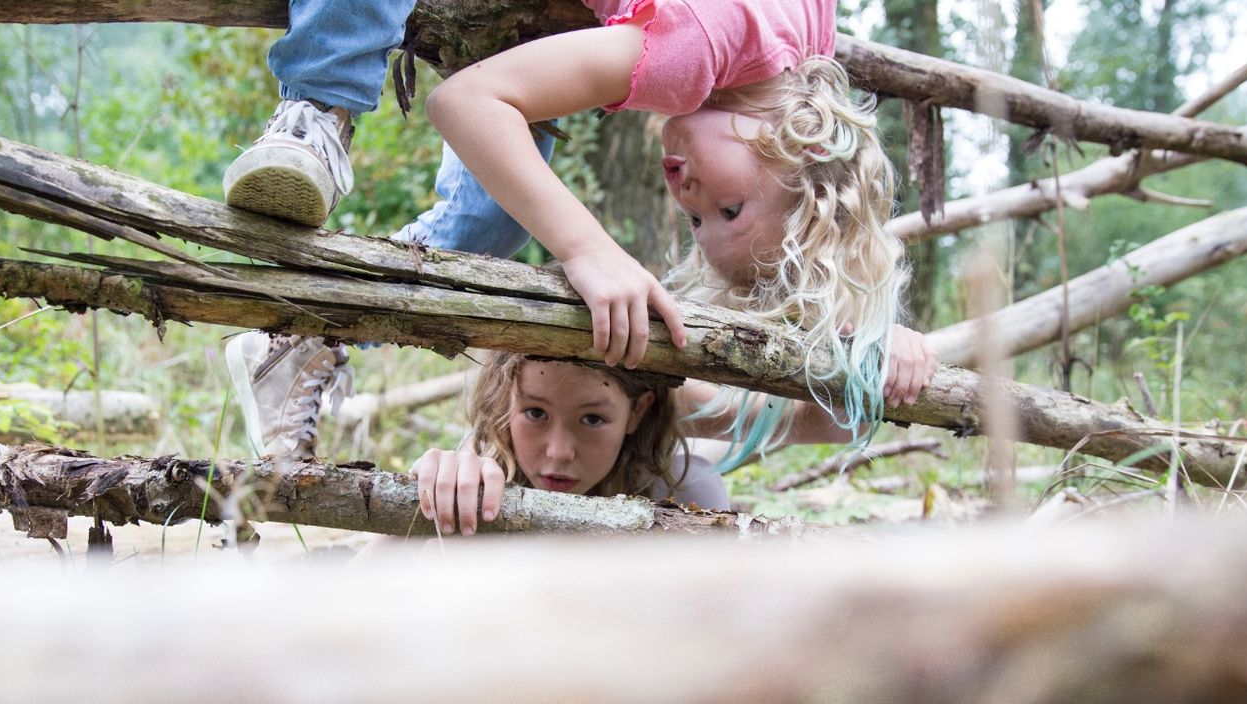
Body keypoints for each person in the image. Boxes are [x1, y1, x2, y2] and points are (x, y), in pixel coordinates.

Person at [225, 0, 936, 469]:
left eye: (698, 222)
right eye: (728, 209)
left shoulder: (798, 50)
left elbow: (823, 237)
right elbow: (465, 103)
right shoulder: (694, 55)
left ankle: (307, 340)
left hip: (536, 34)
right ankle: (317, 109)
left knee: (492, 218)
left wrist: (870, 337)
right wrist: (588, 248)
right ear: (803, 144)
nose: (686, 197)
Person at [412, 353, 729, 536]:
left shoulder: (687, 498)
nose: (559, 452)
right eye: (536, 413)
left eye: (592, 419)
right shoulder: (482, 481)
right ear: (505, 402)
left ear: (638, 411)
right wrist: (431, 499)